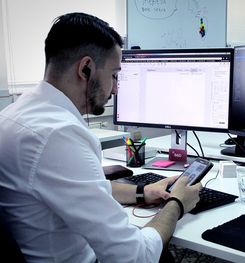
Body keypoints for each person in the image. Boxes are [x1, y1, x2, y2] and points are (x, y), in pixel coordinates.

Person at [0, 12, 202, 263]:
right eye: (115, 75)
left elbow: (83, 188)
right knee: (161, 251)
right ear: (86, 68)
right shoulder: (58, 136)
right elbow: (135, 257)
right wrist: (177, 203)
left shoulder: (14, 114)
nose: (116, 89)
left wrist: (142, 191)